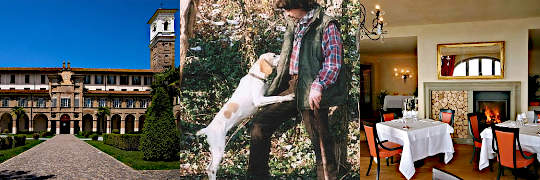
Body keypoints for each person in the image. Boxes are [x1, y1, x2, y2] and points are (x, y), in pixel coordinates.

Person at [247, 0, 347, 179]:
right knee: (259, 125)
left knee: (321, 145)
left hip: (312, 88)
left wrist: (319, 85)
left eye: (287, 8)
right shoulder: (295, 24)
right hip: (291, 87)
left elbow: (333, 62)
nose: (286, 13)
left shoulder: (326, 25)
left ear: (301, 3)